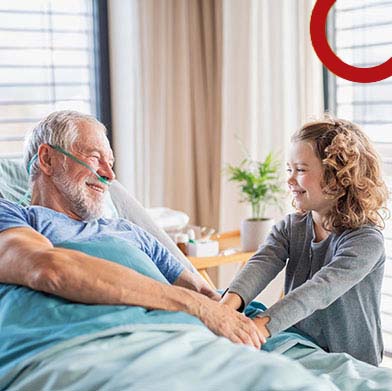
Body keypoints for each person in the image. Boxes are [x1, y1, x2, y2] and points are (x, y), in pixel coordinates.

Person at [0, 110, 265, 350]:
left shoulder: (128, 231)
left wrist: (246, 321)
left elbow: (205, 294)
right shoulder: (14, 217)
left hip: (176, 335)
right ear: (47, 159)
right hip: (99, 340)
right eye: (95, 158)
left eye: (110, 162)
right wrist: (196, 307)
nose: (109, 175)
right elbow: (46, 267)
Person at [221, 116, 389, 366]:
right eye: (289, 169)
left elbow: (317, 291)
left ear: (336, 177)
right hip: (301, 347)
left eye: (300, 170)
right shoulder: (291, 227)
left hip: (351, 361)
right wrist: (223, 311)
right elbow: (260, 265)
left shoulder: (365, 241)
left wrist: (254, 331)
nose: (289, 180)